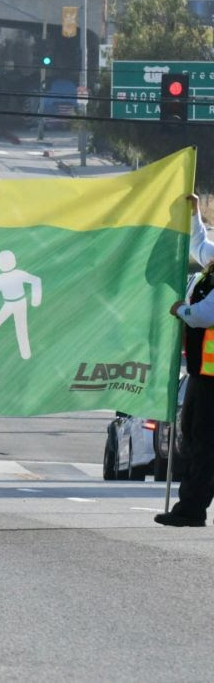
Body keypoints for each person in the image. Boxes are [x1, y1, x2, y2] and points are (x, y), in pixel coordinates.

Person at [156, 194, 214, 527]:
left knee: (204, 444)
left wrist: (181, 310)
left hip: (211, 381)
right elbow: (199, 246)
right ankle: (190, 504)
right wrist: (194, 214)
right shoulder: (212, 263)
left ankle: (192, 509)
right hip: (201, 374)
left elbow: (206, 315)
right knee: (192, 438)